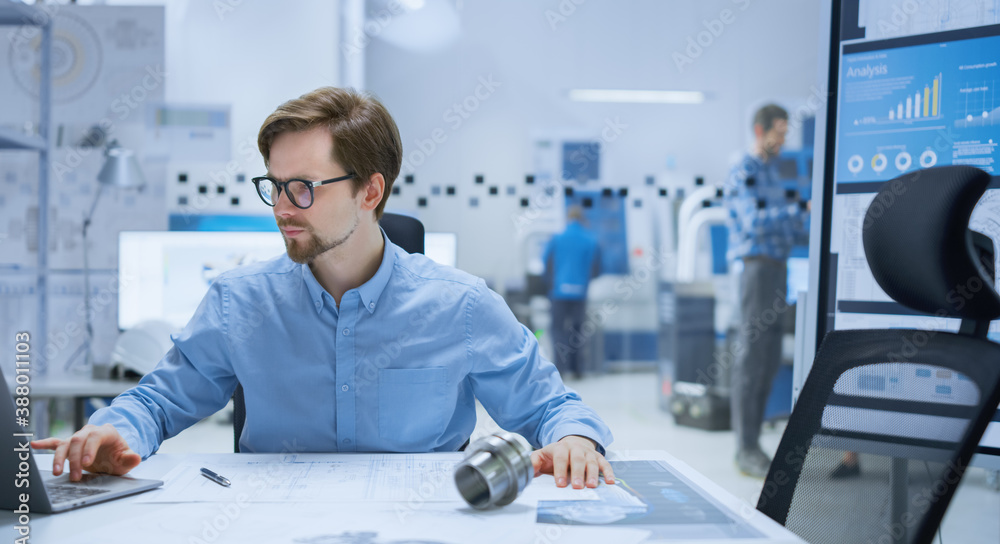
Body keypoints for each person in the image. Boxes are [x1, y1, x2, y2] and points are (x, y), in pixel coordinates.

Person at [32, 87, 615, 490]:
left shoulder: (460, 307)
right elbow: (156, 402)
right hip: (266, 536)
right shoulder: (239, 303)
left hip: (423, 537)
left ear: (370, 191)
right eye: (275, 186)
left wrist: (575, 443)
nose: (283, 208)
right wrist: (114, 431)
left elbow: (554, 409)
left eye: (305, 188)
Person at [723, 103, 809, 478]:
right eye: (779, 131)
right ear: (760, 131)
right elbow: (754, 222)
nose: (783, 138)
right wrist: (796, 212)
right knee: (752, 359)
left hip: (778, 270)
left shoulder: (773, 175)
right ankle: (744, 449)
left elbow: (788, 230)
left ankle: (755, 444)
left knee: (770, 359)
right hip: (756, 269)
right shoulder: (745, 171)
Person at [543, 206, 601, 380]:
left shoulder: (557, 238)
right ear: (582, 218)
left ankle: (560, 369)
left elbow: (546, 264)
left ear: (568, 218)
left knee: (558, 330)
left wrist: (550, 285)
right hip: (580, 293)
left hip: (559, 292)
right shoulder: (591, 240)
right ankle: (578, 370)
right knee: (578, 331)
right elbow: (597, 267)